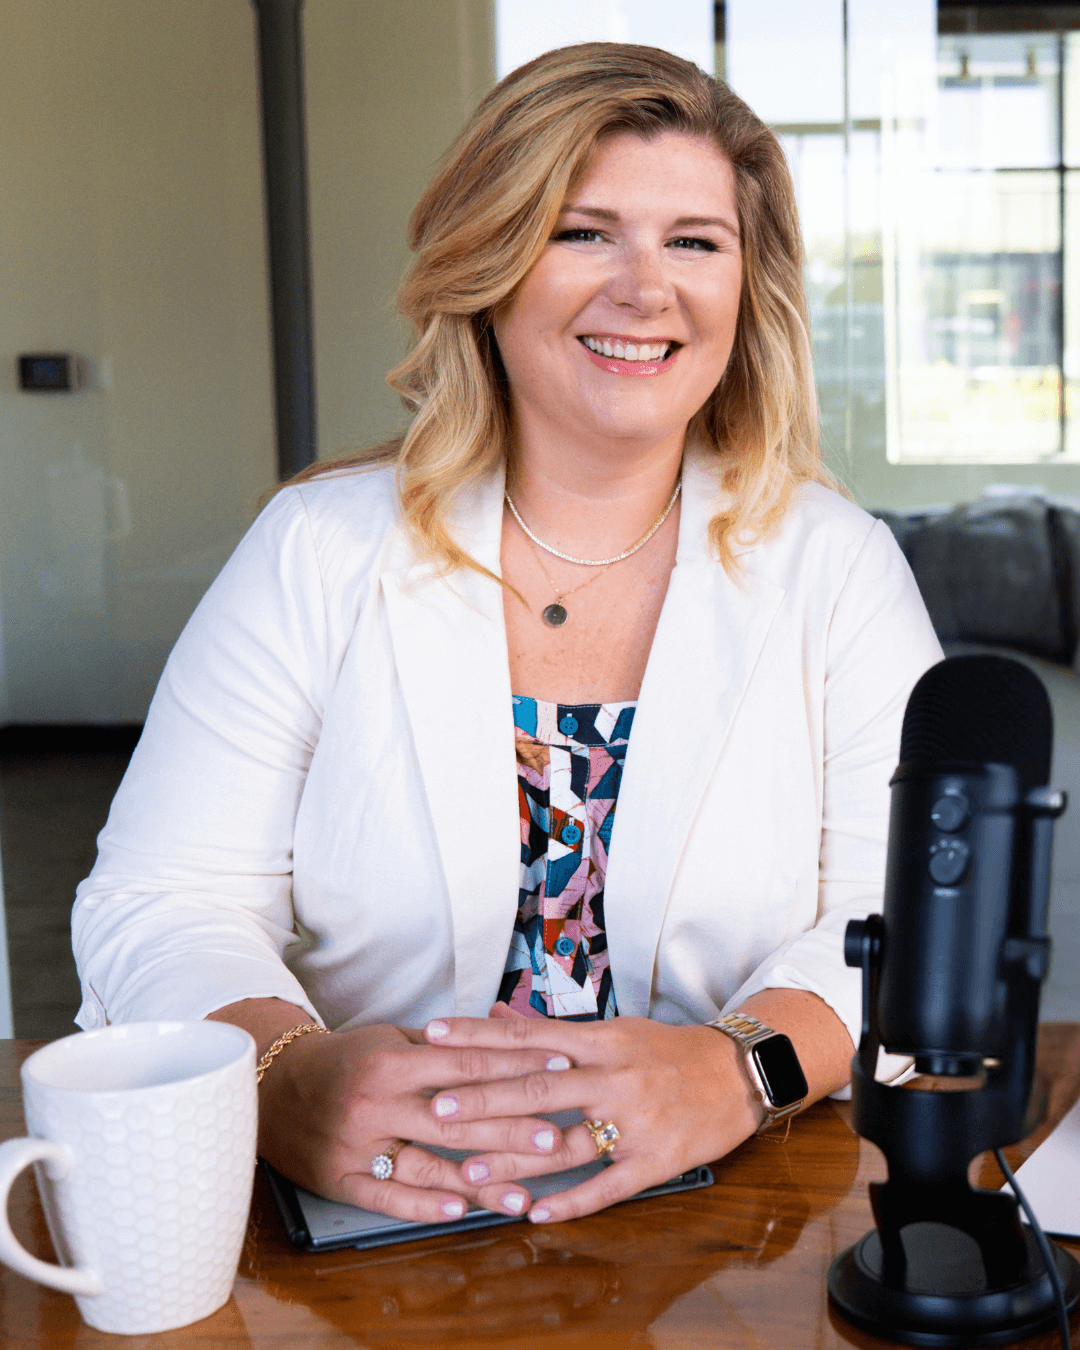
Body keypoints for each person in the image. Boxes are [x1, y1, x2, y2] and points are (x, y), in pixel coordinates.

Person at [72, 42, 941, 1228]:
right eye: (585, 232)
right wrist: (283, 1080)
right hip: (371, 1224)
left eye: (696, 241)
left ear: (748, 288)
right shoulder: (318, 548)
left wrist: (740, 1069)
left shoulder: (838, 567)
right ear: (489, 260)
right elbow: (160, 900)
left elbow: (909, 923)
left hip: (742, 1222)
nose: (647, 289)